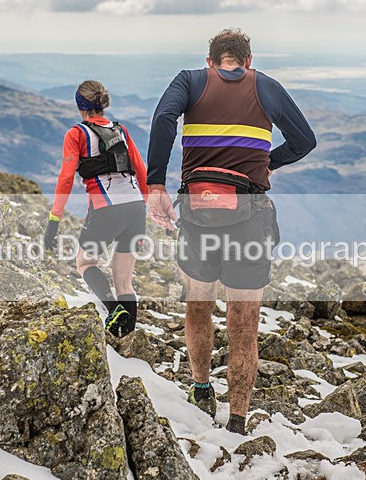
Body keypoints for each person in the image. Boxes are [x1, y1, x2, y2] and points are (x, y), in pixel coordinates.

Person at [146, 29, 316, 435]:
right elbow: (305, 141)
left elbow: (164, 118)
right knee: (243, 321)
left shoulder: (189, 81)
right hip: (249, 219)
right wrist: (265, 162)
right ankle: (237, 420)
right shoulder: (267, 87)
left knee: (199, 304)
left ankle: (202, 389)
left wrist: (156, 183)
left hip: (197, 214)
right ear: (248, 60)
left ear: (210, 61)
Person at [45, 80, 149, 337]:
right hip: (135, 209)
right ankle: (127, 339)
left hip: (107, 210)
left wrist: (54, 219)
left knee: (85, 262)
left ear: (79, 105)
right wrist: (145, 208)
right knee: (124, 280)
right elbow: (142, 171)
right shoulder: (121, 130)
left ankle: (114, 309)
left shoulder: (76, 134)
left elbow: (66, 178)